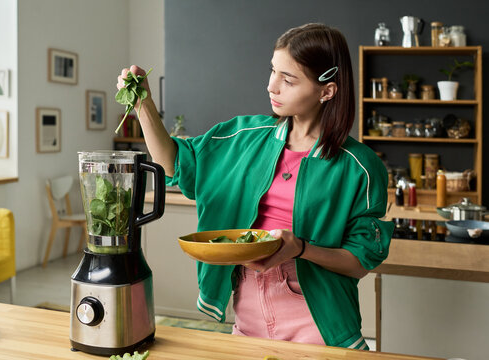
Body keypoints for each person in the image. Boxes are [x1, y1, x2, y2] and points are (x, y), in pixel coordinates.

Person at [117, 23, 393, 350]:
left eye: (288, 79)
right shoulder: (242, 136)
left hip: (317, 321)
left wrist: (301, 248)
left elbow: (360, 261)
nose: (271, 86)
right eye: (273, 71)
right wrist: (143, 105)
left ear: (327, 91)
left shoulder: (360, 166)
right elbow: (174, 163)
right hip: (247, 313)